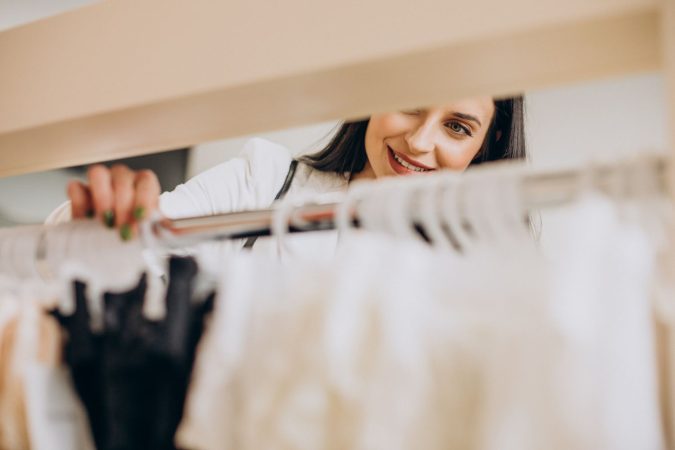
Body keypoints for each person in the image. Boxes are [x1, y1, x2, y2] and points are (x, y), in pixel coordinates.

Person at [51, 96, 525, 256]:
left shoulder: (487, 262)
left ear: (486, 142)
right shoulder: (265, 177)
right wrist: (108, 223)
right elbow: (133, 260)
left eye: (457, 127)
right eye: (409, 104)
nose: (420, 142)